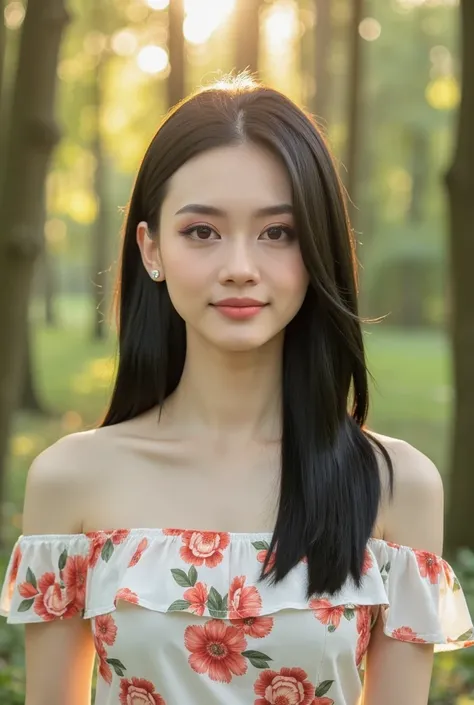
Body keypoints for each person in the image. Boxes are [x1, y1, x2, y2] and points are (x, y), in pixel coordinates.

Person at [1, 74, 472, 705]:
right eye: (202, 231)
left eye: (278, 232)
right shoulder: (72, 479)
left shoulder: (396, 486)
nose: (241, 267)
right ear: (151, 249)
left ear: (318, 250)